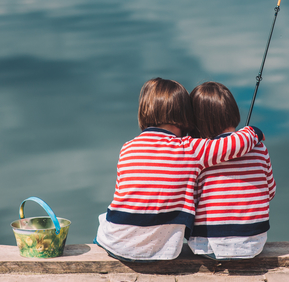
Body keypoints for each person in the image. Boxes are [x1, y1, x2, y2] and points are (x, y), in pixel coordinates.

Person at [94, 77, 264, 261]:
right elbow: (231, 145)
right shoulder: (190, 148)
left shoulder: (127, 147)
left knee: (106, 217)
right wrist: (253, 132)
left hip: (116, 243)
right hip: (164, 250)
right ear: (185, 116)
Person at [187, 81, 276, 260]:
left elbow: (190, 199)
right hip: (254, 242)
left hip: (207, 245)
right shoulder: (260, 148)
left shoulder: (202, 153)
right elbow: (270, 192)